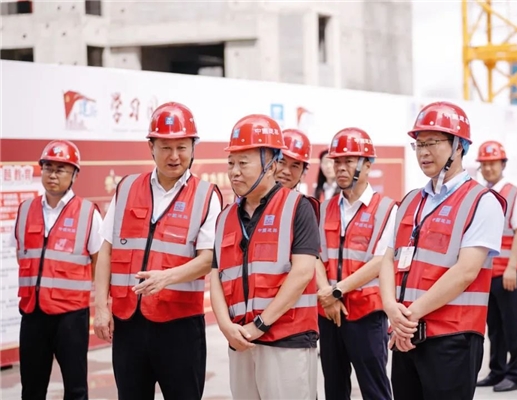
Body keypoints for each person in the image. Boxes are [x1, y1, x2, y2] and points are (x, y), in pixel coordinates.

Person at [92, 102, 223, 400]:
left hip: (179, 326)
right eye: (165, 147)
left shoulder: (206, 196)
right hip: (128, 324)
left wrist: (166, 277)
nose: (174, 156)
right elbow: (106, 251)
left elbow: (208, 259)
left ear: (193, 147)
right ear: (151, 147)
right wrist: (100, 308)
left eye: (182, 147)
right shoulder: (127, 188)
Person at [379, 101, 506, 400]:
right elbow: (387, 259)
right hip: (406, 335)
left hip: (452, 339)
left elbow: (465, 272)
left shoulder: (482, 201)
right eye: (419, 144)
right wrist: (390, 308)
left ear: (459, 146)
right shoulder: (410, 201)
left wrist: (407, 318)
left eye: (432, 142)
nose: (423, 152)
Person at [210, 114, 320, 400]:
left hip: (287, 340)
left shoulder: (298, 207)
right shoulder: (225, 218)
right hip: (241, 341)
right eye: (231, 163)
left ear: (271, 164)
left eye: (243, 163)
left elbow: (302, 273)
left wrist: (259, 325)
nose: (234, 172)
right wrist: (227, 327)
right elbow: (216, 276)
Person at [13, 140, 103, 400]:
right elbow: (22, 255)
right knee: (31, 389)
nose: (52, 174)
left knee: (75, 389)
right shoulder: (25, 210)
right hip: (32, 315)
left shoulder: (88, 213)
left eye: (61, 169)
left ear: (74, 174)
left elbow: (99, 263)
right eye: (48, 168)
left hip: (71, 318)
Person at [316, 127, 396, 400]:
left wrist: (336, 291)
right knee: (334, 390)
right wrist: (327, 296)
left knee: (375, 391)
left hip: (366, 315)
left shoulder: (386, 209)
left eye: (349, 161)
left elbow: (380, 261)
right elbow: (316, 256)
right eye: (336, 161)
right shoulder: (324, 208)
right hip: (329, 314)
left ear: (368, 165)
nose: (340, 167)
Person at [475, 140, 517, 392]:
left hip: (507, 272)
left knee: (512, 325)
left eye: (493, 163)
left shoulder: (515, 194)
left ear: (503, 164)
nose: (488, 168)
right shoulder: (482, 194)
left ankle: (515, 374)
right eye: (484, 164)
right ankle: (497, 371)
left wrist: (511, 268)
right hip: (487, 273)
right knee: (494, 327)